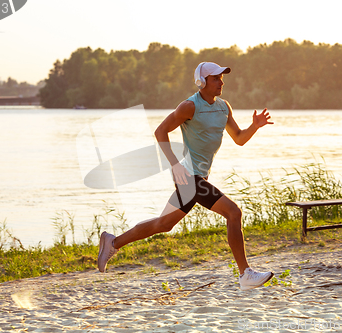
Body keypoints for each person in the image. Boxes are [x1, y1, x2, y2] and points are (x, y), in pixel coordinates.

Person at [98, 62, 274, 290]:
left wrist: (255, 126)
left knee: (164, 224)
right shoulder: (189, 106)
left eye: (222, 78)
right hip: (189, 177)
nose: (221, 82)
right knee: (233, 212)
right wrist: (174, 165)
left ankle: (113, 242)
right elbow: (160, 131)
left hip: (197, 177)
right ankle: (245, 274)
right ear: (202, 82)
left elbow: (239, 138)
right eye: (215, 78)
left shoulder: (224, 107)